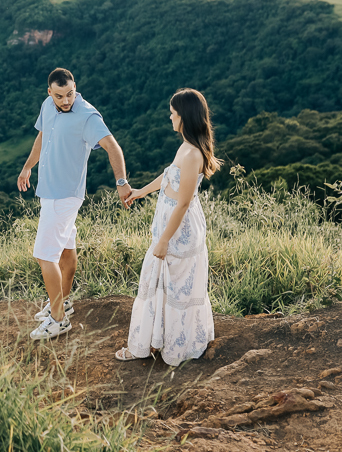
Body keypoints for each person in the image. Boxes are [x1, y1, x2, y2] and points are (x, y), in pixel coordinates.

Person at [18, 68, 132, 341]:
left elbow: (112, 146)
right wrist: (27, 168)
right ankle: (64, 302)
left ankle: (58, 319)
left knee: (45, 256)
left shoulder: (87, 115)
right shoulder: (48, 105)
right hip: (49, 191)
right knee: (66, 249)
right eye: (59, 96)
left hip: (64, 196)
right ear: (50, 93)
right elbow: (43, 136)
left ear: (75, 87)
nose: (65, 100)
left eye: (69, 94)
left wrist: (121, 182)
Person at [115, 88, 221, 365]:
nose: (170, 117)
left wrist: (163, 240)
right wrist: (140, 191)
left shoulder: (192, 154)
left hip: (180, 230)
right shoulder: (185, 148)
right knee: (163, 284)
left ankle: (172, 346)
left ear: (184, 116)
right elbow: (167, 178)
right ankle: (157, 341)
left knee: (174, 287)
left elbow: (183, 203)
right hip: (172, 224)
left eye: (173, 113)